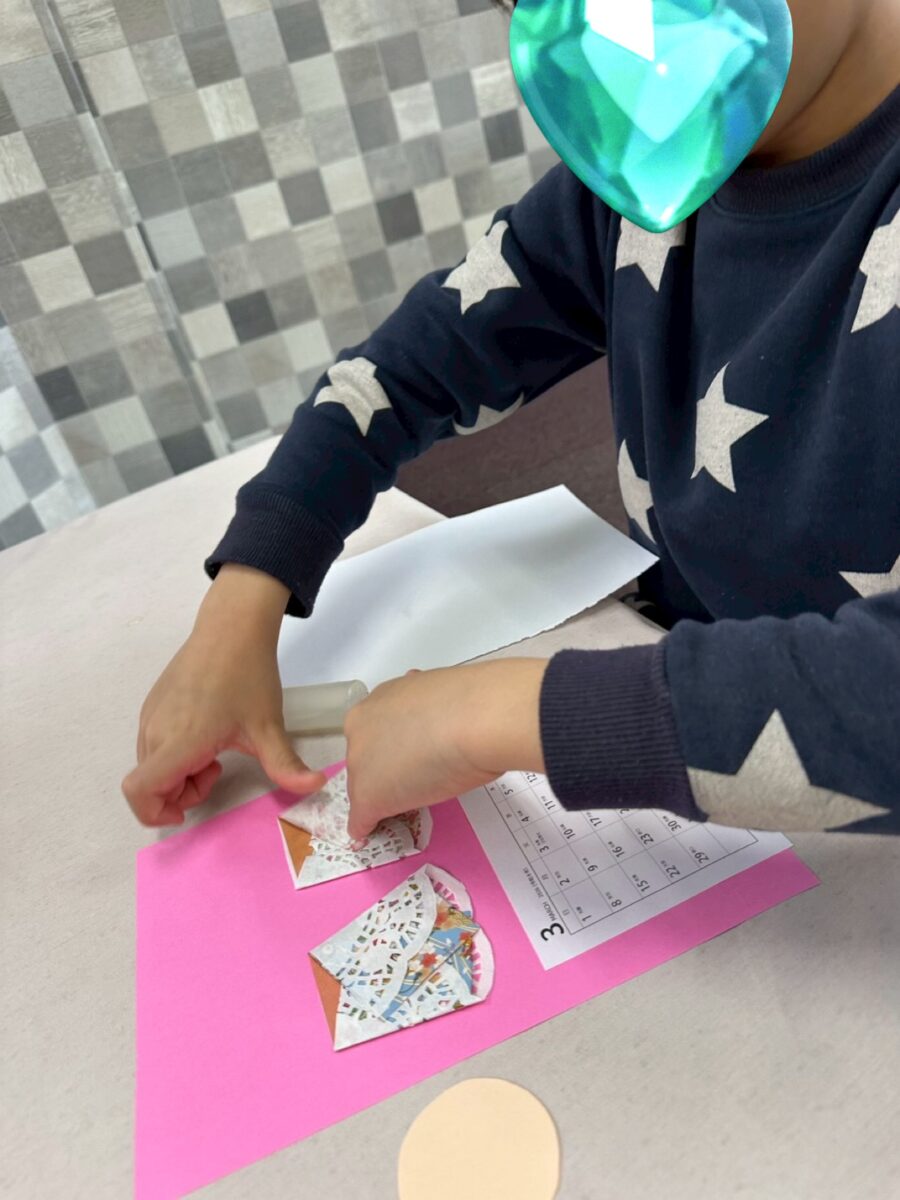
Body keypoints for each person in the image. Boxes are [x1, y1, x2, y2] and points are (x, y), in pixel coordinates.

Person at [123, 0, 900, 842]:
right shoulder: (654, 181)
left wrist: (504, 715)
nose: (621, 34)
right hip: (718, 791)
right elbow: (411, 366)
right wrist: (244, 598)